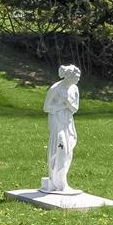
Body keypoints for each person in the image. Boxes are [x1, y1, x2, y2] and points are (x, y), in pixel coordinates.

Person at [42, 64, 81, 193]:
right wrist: (62, 105)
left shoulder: (74, 89)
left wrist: (67, 102)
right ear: (69, 76)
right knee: (60, 146)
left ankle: (62, 180)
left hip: (68, 121)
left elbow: (75, 108)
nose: (78, 79)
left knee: (68, 149)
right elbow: (46, 108)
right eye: (77, 77)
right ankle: (57, 180)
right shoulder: (55, 89)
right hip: (56, 120)